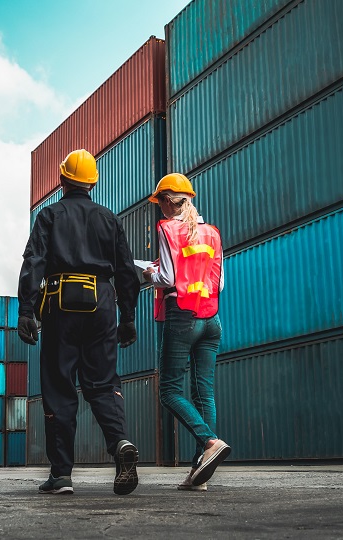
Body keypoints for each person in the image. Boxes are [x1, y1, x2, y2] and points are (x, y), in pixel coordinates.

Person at [17, 148, 141, 496]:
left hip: (62, 303)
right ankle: (119, 444)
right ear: (92, 184)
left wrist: (26, 310)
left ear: (62, 179)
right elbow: (127, 273)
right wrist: (128, 317)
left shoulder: (49, 216)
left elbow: (34, 263)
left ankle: (61, 475)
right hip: (103, 305)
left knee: (59, 387)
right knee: (102, 384)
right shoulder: (109, 219)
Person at [143, 173, 231, 491]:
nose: (160, 209)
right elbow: (218, 284)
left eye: (160, 202)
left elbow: (167, 278)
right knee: (203, 393)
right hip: (211, 320)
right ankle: (199, 472)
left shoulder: (169, 229)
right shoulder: (211, 233)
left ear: (167, 200)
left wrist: (149, 272)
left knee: (169, 391)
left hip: (183, 318)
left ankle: (209, 442)